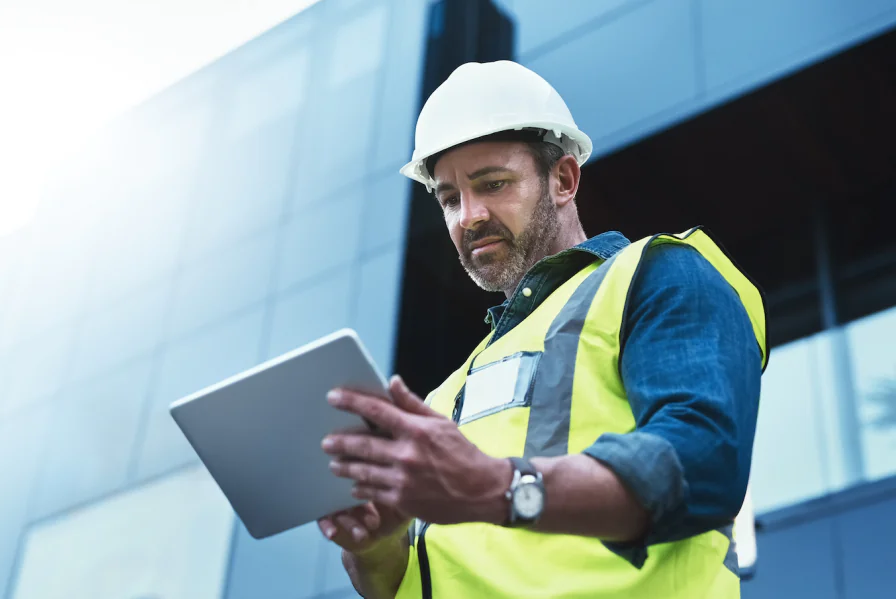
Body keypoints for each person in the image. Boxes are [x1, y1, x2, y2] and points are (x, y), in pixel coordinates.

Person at [318, 60, 768, 599]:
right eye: (449, 198)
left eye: (493, 184)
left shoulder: (656, 274)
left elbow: (703, 462)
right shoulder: (443, 399)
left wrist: (497, 487)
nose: (468, 216)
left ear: (563, 179)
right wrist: (375, 548)